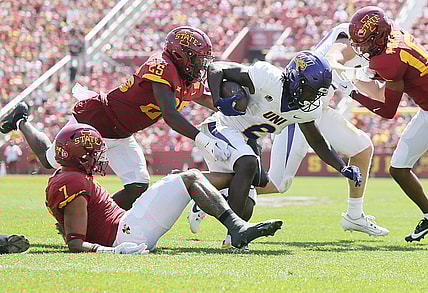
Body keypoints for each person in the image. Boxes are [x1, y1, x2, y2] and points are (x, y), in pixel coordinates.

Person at [1, 26, 230, 210]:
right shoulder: (162, 65)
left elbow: (207, 99)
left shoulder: (185, 77)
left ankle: (95, 220)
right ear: (180, 54)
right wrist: (205, 141)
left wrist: (241, 106)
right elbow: (170, 114)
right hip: (95, 122)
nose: (201, 65)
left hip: (121, 133)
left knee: (137, 186)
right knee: (48, 160)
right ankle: (21, 119)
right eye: (198, 59)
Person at [188, 51, 362, 248]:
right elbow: (215, 68)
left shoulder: (306, 108)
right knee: (248, 163)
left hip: (245, 139)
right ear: (296, 80)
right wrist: (219, 100)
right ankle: (234, 237)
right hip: (220, 128)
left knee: (249, 202)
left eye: (317, 92)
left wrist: (342, 167)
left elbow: (317, 141)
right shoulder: (269, 77)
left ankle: (203, 194)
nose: (313, 97)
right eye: (310, 90)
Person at [45, 123, 282, 253]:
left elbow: (71, 227)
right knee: (188, 178)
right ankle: (236, 226)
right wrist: (109, 252)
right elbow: (74, 243)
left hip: (128, 226)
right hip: (127, 234)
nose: (98, 155)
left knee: (183, 178)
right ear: (77, 154)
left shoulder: (67, 177)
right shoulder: (73, 182)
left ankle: (228, 199)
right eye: (92, 151)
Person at [255, 23, 389, 237]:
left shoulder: (369, 50)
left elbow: (379, 94)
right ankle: (220, 195)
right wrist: (355, 79)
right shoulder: (347, 37)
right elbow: (333, 63)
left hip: (318, 106)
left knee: (362, 148)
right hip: (298, 105)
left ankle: (354, 216)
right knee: (277, 183)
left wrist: (399, 78)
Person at [335, 6, 428, 242]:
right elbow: (380, 88)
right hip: (426, 110)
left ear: (378, 36)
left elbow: (387, 110)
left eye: (365, 42)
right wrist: (355, 78)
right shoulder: (391, 36)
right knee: (398, 168)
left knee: (399, 167)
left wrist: (352, 93)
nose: (362, 48)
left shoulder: (390, 58)